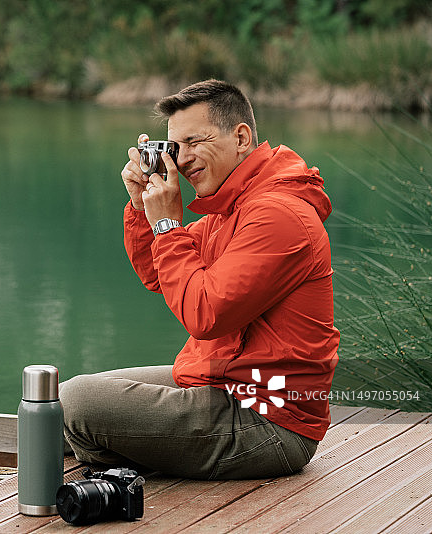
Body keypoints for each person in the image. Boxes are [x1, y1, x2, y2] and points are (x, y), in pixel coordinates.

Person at [59, 79, 339, 479]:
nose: (182, 159)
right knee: (54, 405)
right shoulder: (229, 212)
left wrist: (169, 223)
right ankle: (108, 445)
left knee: (77, 403)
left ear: (241, 137)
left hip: (268, 422)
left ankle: (110, 451)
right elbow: (158, 274)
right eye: (174, 147)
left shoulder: (278, 215)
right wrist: (142, 209)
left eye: (194, 141)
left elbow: (205, 315)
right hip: (220, 387)